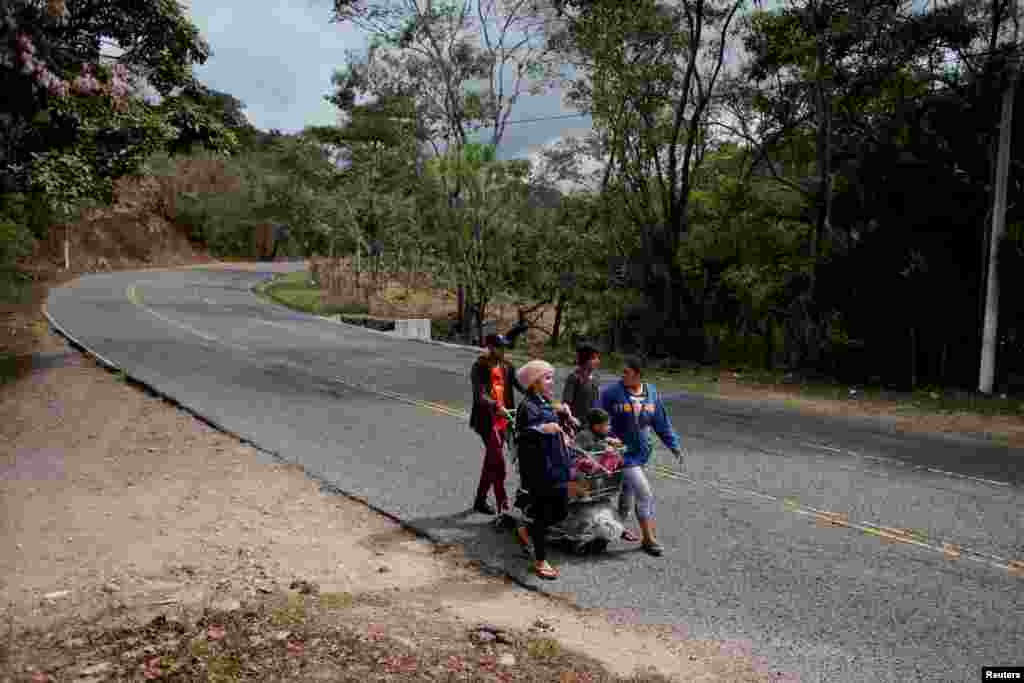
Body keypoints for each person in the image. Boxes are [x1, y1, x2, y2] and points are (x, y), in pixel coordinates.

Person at [599, 355, 683, 557]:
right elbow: (597, 417)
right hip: (622, 454)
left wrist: (674, 445)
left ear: (637, 375)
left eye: (626, 372)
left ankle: (610, 531)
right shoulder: (611, 392)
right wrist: (606, 438)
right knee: (644, 493)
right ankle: (648, 538)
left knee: (627, 494)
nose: (622, 375)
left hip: (642, 452)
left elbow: (661, 422)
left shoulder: (651, 392)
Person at [513, 359, 577, 580]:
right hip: (539, 469)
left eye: (551, 377)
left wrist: (563, 431)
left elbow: (553, 419)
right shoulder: (527, 406)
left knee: (561, 511)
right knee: (542, 514)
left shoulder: (544, 401)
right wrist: (542, 429)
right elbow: (520, 436)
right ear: (534, 382)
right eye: (547, 378)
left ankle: (527, 529)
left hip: (557, 464)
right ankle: (540, 560)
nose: (551, 382)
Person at [469, 333, 525, 515]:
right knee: (498, 463)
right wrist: (495, 404)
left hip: (504, 420)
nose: (503, 350)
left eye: (504, 347)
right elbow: (480, 395)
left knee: (491, 461)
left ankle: (480, 500)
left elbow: (522, 387)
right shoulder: (480, 367)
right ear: (491, 347)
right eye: (500, 347)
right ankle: (504, 505)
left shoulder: (507, 366)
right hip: (487, 421)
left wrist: (543, 397)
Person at [573, 408, 624, 475]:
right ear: (596, 426)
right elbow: (586, 451)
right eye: (607, 425)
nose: (609, 427)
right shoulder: (584, 435)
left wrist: (608, 441)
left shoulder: (598, 435)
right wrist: (604, 446)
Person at [562, 342, 602, 427]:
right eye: (594, 358)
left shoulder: (595, 378)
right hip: (577, 425)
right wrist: (571, 418)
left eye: (598, 358)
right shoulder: (574, 378)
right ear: (585, 359)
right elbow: (566, 403)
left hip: (592, 425)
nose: (598, 361)